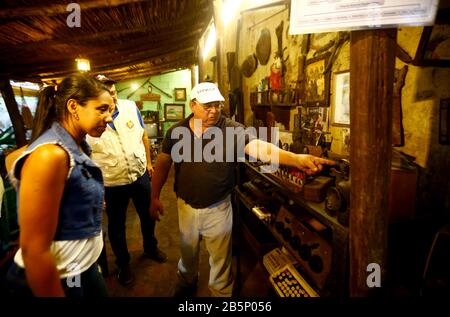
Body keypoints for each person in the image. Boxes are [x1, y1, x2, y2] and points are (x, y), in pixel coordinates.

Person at [150, 82, 335, 297]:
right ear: (193, 105)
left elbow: (259, 148)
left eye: (218, 105)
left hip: (218, 207)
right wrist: (154, 196)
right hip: (186, 207)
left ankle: (221, 295)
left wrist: (295, 159)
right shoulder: (176, 132)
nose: (214, 111)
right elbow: (163, 164)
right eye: (207, 106)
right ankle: (187, 279)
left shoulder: (231, 129)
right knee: (188, 254)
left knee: (220, 262)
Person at [5, 73, 115, 296]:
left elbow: (11, 160)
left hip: (80, 266)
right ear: (74, 106)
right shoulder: (51, 155)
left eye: (111, 110)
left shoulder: (77, 145)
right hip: (60, 276)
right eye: (102, 109)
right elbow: (34, 251)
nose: (110, 118)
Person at [86, 74, 167, 286]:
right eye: (107, 93)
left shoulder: (131, 107)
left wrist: (149, 162)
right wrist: (97, 187)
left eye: (113, 92)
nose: (112, 97)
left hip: (139, 175)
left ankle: (150, 248)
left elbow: (143, 136)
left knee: (148, 216)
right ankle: (123, 264)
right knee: (117, 226)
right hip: (111, 183)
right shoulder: (90, 117)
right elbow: (86, 157)